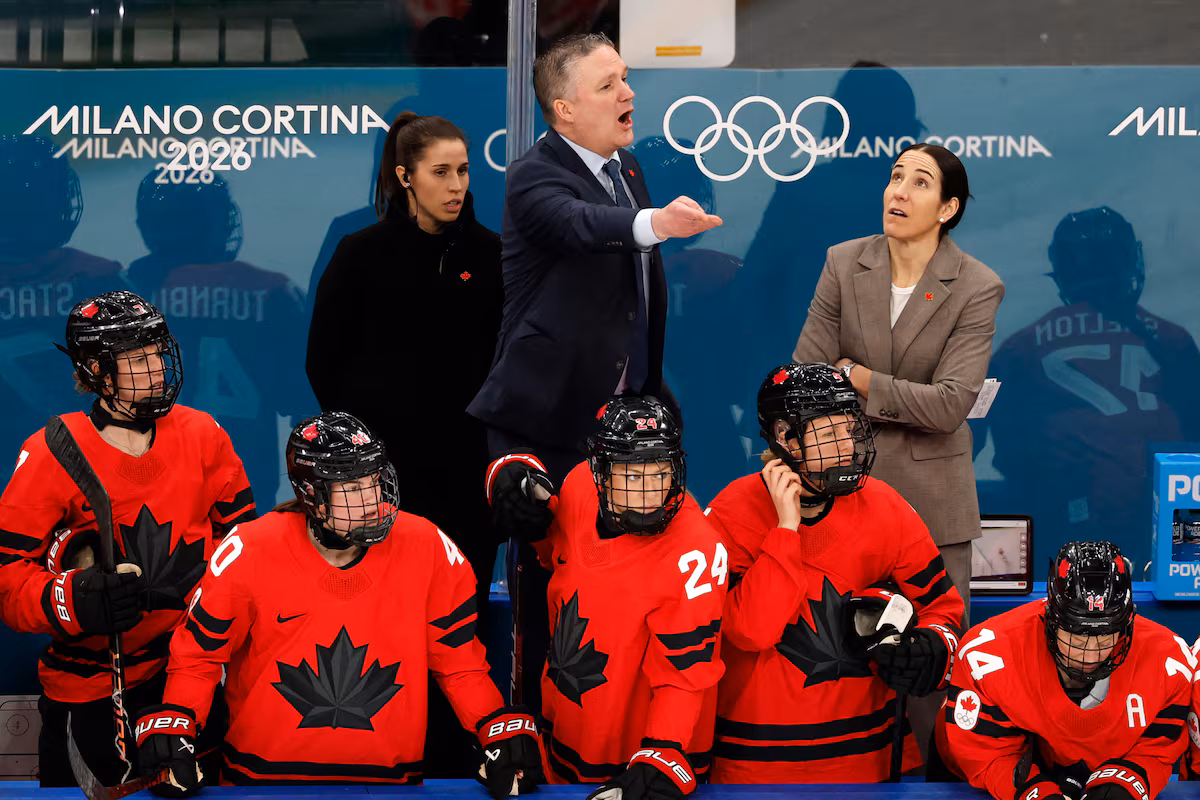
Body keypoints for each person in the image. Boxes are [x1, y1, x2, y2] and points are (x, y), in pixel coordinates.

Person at [469, 31, 722, 712]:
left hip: (622, 435)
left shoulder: (626, 167)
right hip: (545, 430)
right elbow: (583, 225)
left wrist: (649, 395)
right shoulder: (534, 174)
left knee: (626, 604)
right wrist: (653, 223)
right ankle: (534, 742)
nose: (628, 92)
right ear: (564, 107)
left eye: (626, 78)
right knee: (546, 611)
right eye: (608, 83)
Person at [139, 411, 543, 792]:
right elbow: (198, 659)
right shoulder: (250, 550)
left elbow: (459, 664)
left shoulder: (428, 546)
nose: (370, 499)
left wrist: (494, 725)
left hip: (390, 787)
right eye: (352, 488)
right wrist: (178, 725)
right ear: (311, 494)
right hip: (260, 787)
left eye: (373, 480)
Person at [306, 112, 503, 775]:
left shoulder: (491, 254)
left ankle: (455, 764)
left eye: (464, 170)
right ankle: (370, 760)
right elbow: (322, 361)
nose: (456, 185)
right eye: (441, 172)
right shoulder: (359, 251)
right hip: (378, 483)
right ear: (404, 177)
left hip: (464, 482)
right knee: (376, 627)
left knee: (458, 631)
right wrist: (359, 457)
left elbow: (509, 362)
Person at [791, 142, 1003, 755]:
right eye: (893, 177)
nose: (898, 192)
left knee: (929, 673)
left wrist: (856, 378)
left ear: (948, 207)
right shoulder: (842, 262)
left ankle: (942, 779)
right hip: (838, 495)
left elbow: (948, 406)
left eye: (919, 183)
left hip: (932, 506)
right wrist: (866, 387)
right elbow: (806, 376)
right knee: (835, 658)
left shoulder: (977, 286)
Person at [0, 290, 255, 787]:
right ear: (97, 369)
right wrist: (71, 599)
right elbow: (6, 576)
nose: (157, 367)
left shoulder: (205, 435)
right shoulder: (53, 449)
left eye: (157, 352)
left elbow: (243, 555)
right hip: (90, 689)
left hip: (187, 683)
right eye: (137, 359)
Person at [704, 363, 964, 783]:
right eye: (828, 435)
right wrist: (785, 530)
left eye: (849, 430)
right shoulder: (730, 513)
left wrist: (930, 647)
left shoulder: (886, 506)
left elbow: (945, 611)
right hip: (751, 770)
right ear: (785, 436)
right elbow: (752, 631)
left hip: (869, 766)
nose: (846, 446)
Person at [523, 395, 725, 796]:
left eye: (661, 472)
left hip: (636, 762)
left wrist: (662, 752)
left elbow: (685, 676)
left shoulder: (695, 551)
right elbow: (557, 558)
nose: (650, 493)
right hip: (564, 732)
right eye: (633, 476)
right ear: (600, 471)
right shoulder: (579, 485)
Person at [983, 207, 1200, 569]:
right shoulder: (1173, 340)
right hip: (1167, 518)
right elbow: (1193, 441)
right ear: (1130, 261)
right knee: (1179, 592)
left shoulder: (1019, 349)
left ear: (1062, 273)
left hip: (1070, 522)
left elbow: (1000, 448)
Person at [934, 541, 1192, 800]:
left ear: (1126, 622)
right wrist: (1031, 789)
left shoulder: (1169, 661)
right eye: (1078, 639)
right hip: (978, 773)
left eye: (1105, 637)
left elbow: (1156, 749)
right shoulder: (989, 655)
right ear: (1049, 617)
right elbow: (985, 755)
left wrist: (1125, 781)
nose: (1091, 654)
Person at [128, 170, 311, 507]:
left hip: (148, 486)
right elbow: (304, 404)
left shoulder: (126, 290)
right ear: (218, 223)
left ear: (148, 226)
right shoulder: (272, 292)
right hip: (244, 480)